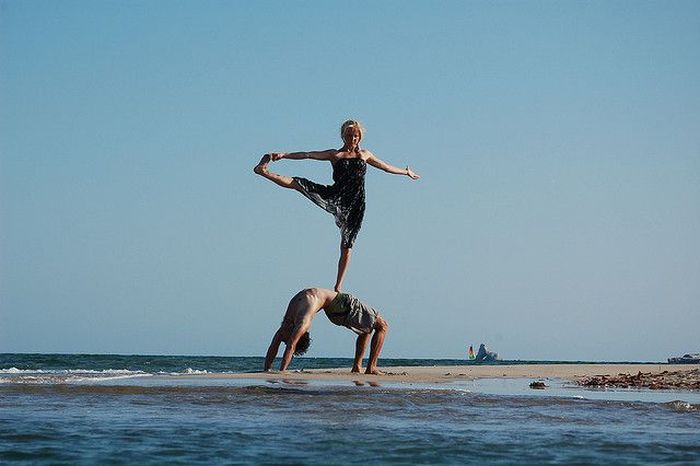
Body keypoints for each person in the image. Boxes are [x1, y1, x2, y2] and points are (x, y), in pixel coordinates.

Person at [253, 120, 420, 292]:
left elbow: (385, 167)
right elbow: (308, 154)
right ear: (343, 136)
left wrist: (405, 172)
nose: (352, 138)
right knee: (299, 184)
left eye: (355, 135)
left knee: (347, 245)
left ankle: (338, 285)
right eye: (349, 135)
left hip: (356, 204)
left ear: (359, 136)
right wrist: (284, 154)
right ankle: (263, 171)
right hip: (336, 195)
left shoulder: (365, 155)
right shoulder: (335, 155)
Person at [263, 287, 389, 374]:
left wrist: (270, 370)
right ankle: (371, 367)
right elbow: (291, 345)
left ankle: (357, 366)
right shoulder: (301, 323)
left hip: (334, 307)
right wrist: (281, 372)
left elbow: (286, 345)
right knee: (382, 326)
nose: (284, 339)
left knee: (365, 328)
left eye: (285, 340)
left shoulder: (287, 327)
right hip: (339, 304)